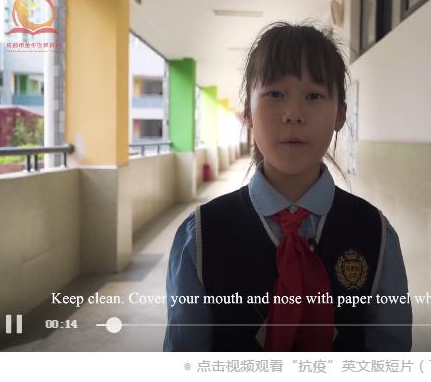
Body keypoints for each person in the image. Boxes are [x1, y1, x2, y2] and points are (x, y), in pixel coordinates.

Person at [164, 22, 412, 351]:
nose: (294, 114)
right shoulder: (199, 237)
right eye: (275, 94)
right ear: (248, 114)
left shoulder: (376, 234)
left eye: (314, 95)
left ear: (340, 115)